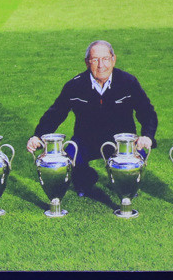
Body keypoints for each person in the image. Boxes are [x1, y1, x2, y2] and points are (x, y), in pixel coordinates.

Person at [25, 40, 157, 195]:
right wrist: (38, 136)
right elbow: (55, 114)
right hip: (86, 140)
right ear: (87, 63)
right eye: (95, 60)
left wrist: (147, 136)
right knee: (72, 167)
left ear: (113, 59)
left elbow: (147, 112)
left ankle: (125, 184)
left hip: (122, 142)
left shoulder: (128, 82)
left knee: (128, 180)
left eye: (105, 59)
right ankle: (87, 178)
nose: (101, 65)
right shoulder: (74, 86)